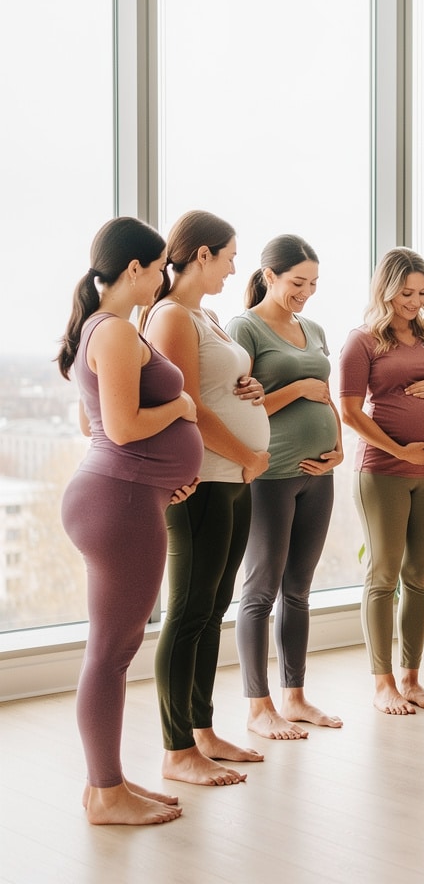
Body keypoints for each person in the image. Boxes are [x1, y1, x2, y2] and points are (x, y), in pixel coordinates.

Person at [56, 216, 202, 825]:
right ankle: (106, 793)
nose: (164, 279)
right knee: (112, 653)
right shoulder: (114, 331)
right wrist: (182, 406)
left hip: (127, 495)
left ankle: (105, 787)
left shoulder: (106, 328)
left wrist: (167, 472)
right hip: (118, 501)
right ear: (135, 269)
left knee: (112, 649)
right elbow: (120, 429)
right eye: (161, 268)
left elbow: (97, 425)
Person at [143, 211, 271, 785]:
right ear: (201, 255)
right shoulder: (170, 317)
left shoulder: (209, 316)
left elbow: (220, 386)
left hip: (233, 477)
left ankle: (201, 730)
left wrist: (252, 387)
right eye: (229, 257)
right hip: (204, 478)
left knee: (213, 609)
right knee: (190, 610)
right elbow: (189, 406)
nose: (234, 267)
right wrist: (247, 455)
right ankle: (176, 752)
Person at [227, 235, 344, 740]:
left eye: (314, 284)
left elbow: (328, 394)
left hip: (319, 475)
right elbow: (239, 408)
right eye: (298, 282)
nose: (306, 293)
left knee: (299, 590)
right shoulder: (243, 328)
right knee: (260, 591)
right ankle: (259, 707)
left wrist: (338, 443)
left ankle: (295, 697)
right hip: (270, 476)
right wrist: (295, 389)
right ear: (269, 275)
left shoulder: (313, 328)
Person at [340, 248, 424, 715]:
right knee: (384, 574)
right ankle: (383, 683)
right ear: (385, 290)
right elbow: (350, 410)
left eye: (423, 292)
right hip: (384, 472)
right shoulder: (363, 341)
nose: (414, 301)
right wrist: (399, 450)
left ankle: (412, 679)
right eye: (406, 292)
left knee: (418, 577)